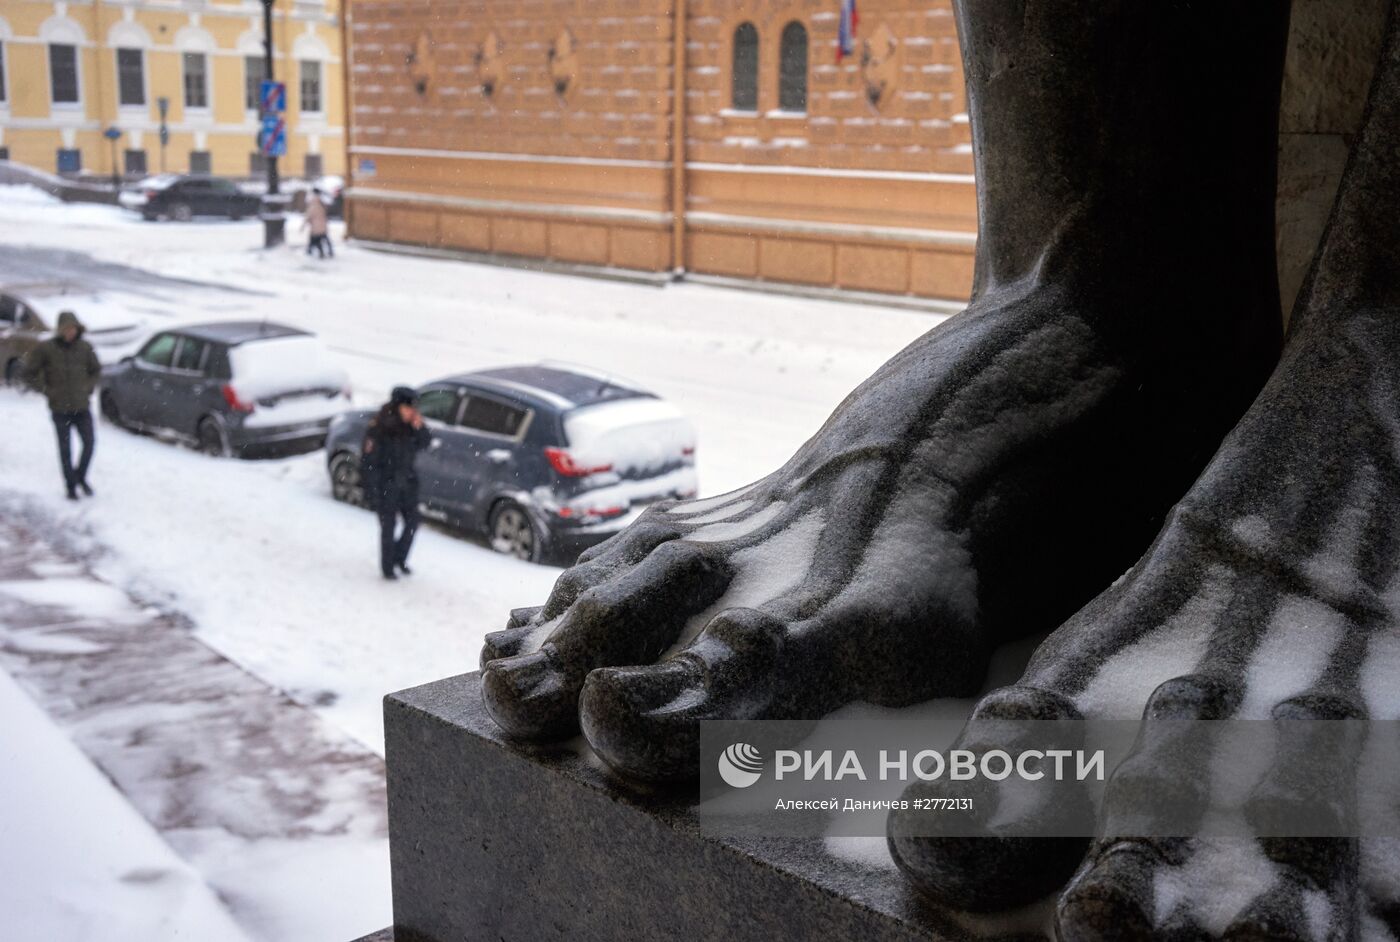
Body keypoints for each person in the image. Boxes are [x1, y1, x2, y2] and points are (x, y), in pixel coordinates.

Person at [23, 310, 101, 501]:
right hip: (60, 409)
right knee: (65, 450)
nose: (70, 332)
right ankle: (70, 485)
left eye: (73, 328)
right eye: (67, 328)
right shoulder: (47, 349)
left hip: (82, 407)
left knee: (89, 444)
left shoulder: (85, 348)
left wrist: (87, 388)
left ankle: (80, 476)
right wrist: (47, 390)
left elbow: (96, 370)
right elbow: (29, 373)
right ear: (60, 330)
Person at [361, 386, 431, 580]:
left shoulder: (410, 426)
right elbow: (369, 462)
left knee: (412, 523)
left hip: (407, 483)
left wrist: (420, 427)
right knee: (388, 528)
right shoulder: (380, 427)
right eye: (408, 408)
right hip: (386, 484)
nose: (412, 413)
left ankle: (399, 558)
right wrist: (372, 492)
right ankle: (388, 567)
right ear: (397, 407)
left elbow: (425, 443)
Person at [303, 187, 332, 259]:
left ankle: (318, 252)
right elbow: (325, 213)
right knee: (324, 238)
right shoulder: (321, 202)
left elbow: (308, 216)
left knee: (315, 239)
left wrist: (303, 225)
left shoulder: (313, 204)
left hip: (315, 226)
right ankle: (329, 251)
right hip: (322, 225)